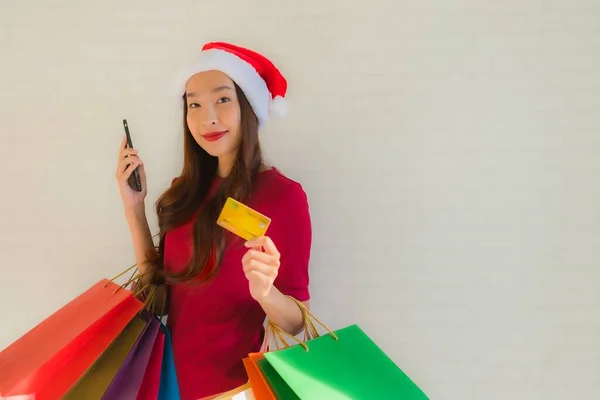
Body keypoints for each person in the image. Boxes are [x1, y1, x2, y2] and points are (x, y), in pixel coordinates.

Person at [114, 42, 312, 399]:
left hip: (236, 389)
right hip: (165, 384)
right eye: (194, 104)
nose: (208, 118)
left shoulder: (284, 196)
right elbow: (157, 296)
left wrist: (265, 292)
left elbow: (297, 322)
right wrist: (134, 208)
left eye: (222, 100)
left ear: (247, 107)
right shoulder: (183, 193)